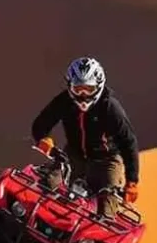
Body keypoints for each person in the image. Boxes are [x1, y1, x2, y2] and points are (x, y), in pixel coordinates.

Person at [31, 56, 139, 218]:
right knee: (46, 186)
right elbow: (40, 124)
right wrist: (43, 140)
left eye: (88, 89)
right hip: (72, 156)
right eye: (78, 88)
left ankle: (91, 239)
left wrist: (132, 181)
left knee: (107, 210)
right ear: (70, 86)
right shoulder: (64, 101)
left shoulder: (110, 108)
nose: (82, 94)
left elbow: (129, 142)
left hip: (107, 161)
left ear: (98, 86)